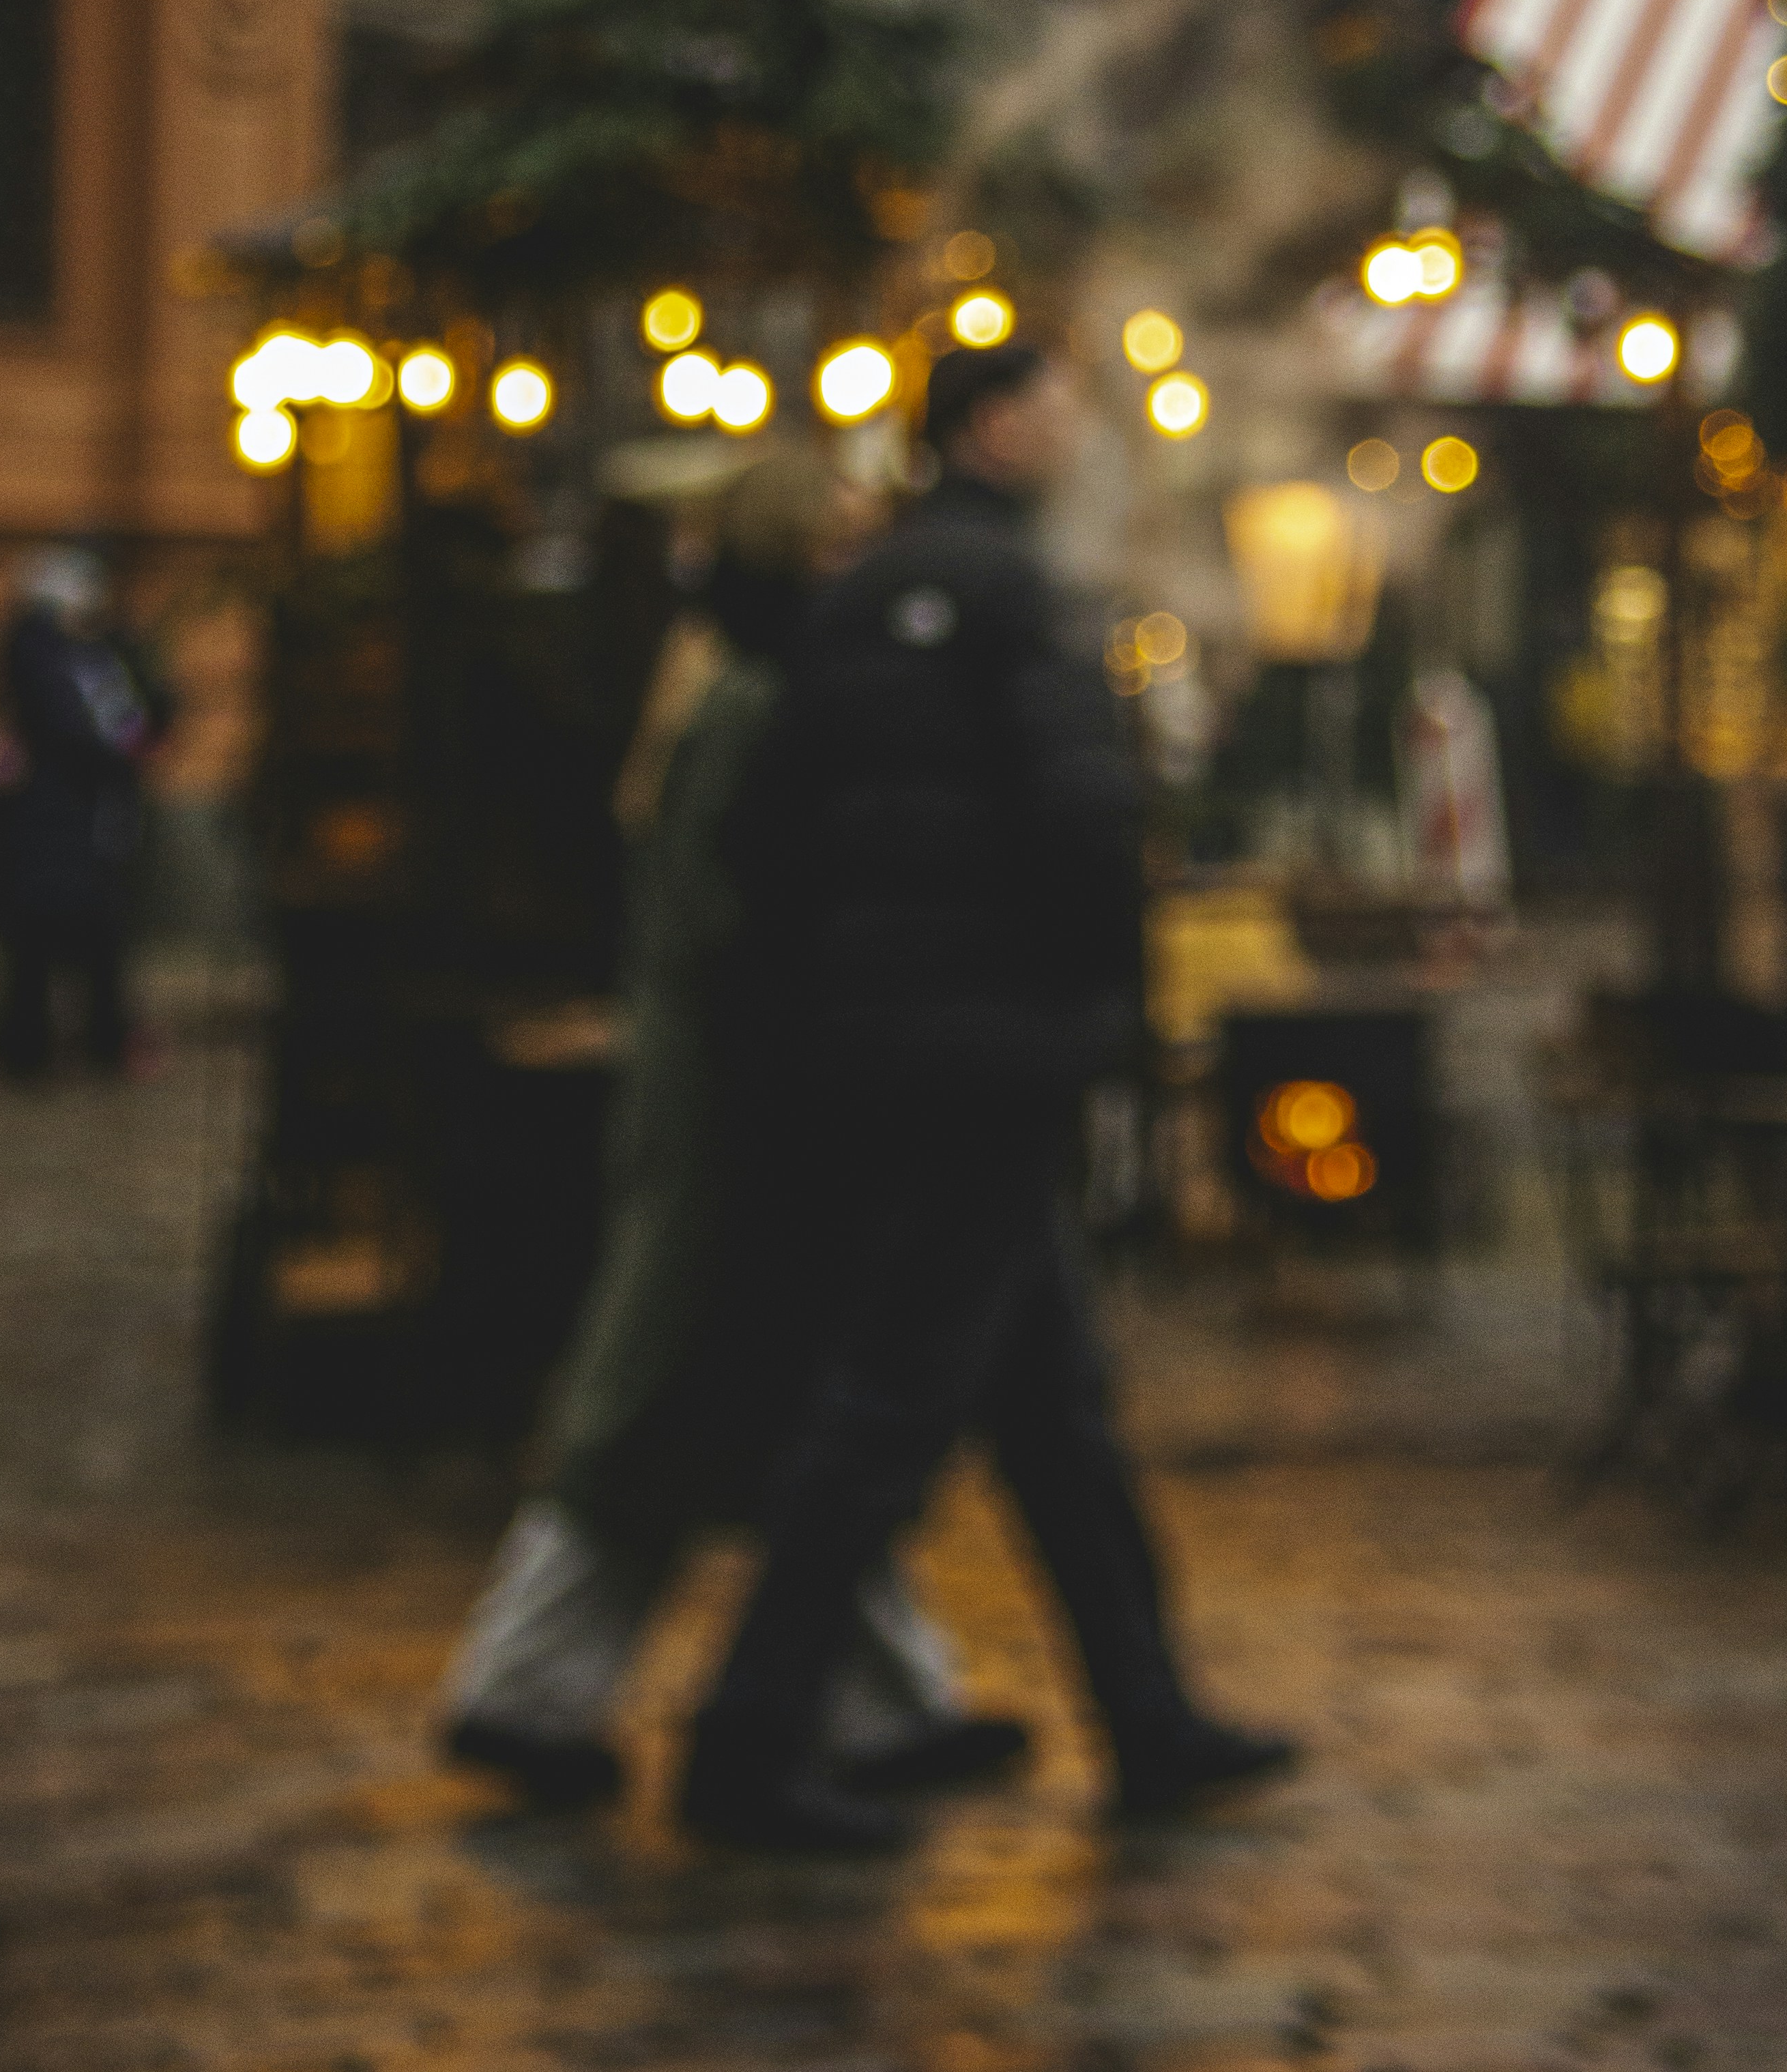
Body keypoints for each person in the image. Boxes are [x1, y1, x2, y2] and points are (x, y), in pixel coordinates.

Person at [681, 340, 1296, 1852]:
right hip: (993, 1057)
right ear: (993, 426)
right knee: (891, 1407)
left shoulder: (849, 601)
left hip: (883, 1053)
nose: (1078, 429)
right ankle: (746, 1741)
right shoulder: (1020, 596)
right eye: (1057, 404)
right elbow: (1090, 821)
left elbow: (762, 843)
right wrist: (1108, 1017)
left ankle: (1148, 1716)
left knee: (1054, 1412)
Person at [439, 450, 1026, 1811]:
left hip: (729, 1106)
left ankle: (890, 1702)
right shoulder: (758, 697)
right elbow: (731, 928)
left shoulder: (735, 682)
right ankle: (523, 1688)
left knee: (781, 1418)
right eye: (842, 539)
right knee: (663, 1410)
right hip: (733, 1119)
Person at [0, 545, 171, 1082]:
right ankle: (34, 1047)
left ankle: (93, 1041)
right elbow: (65, 723)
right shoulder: (36, 648)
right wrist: (119, 751)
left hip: (96, 817)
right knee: (43, 935)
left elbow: (148, 701)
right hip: (51, 818)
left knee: (98, 932)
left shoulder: (102, 649)